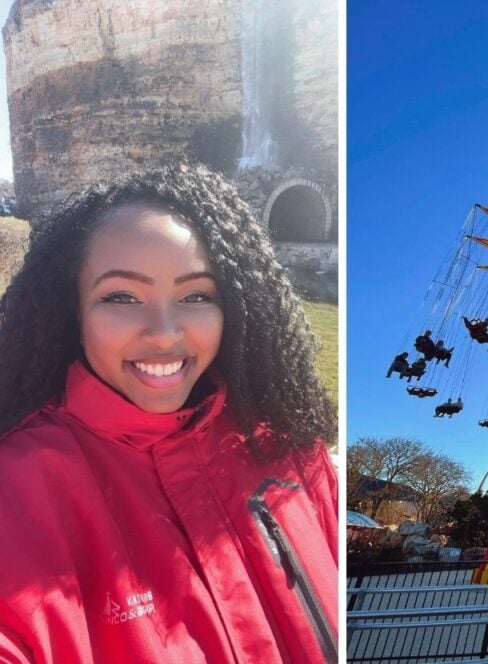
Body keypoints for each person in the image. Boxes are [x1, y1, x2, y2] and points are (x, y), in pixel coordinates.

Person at [0, 163, 338, 662]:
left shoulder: (291, 448)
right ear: (74, 308)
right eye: (121, 296)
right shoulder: (18, 487)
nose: (163, 332)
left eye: (196, 295)